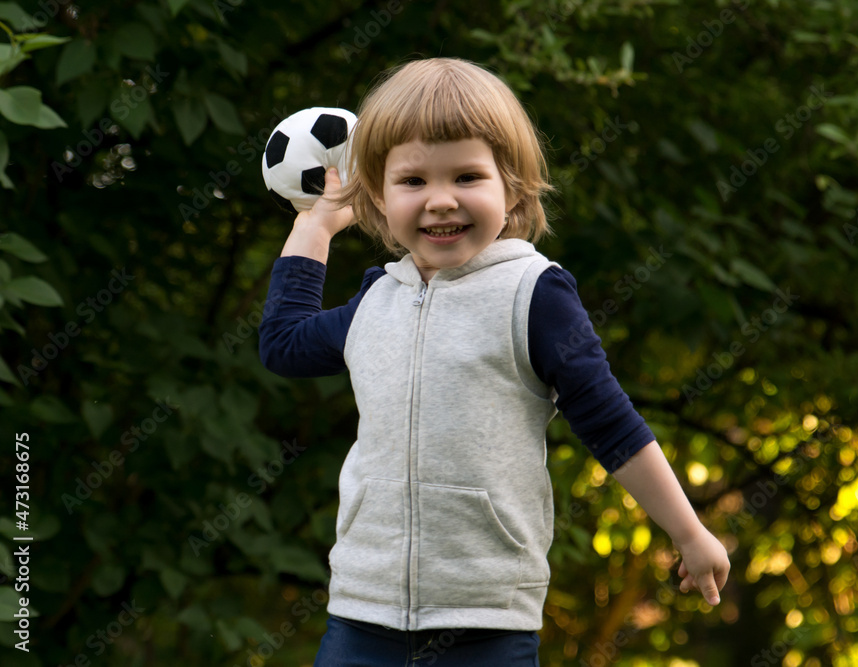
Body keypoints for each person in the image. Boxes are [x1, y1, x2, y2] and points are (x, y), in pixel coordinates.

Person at [258, 56, 729, 667]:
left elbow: (609, 421)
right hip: (361, 616)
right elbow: (284, 344)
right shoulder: (377, 302)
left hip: (486, 624)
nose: (441, 201)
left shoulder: (533, 295)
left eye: (467, 176)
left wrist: (688, 532)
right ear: (377, 193)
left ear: (512, 188)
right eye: (413, 181)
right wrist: (318, 225)